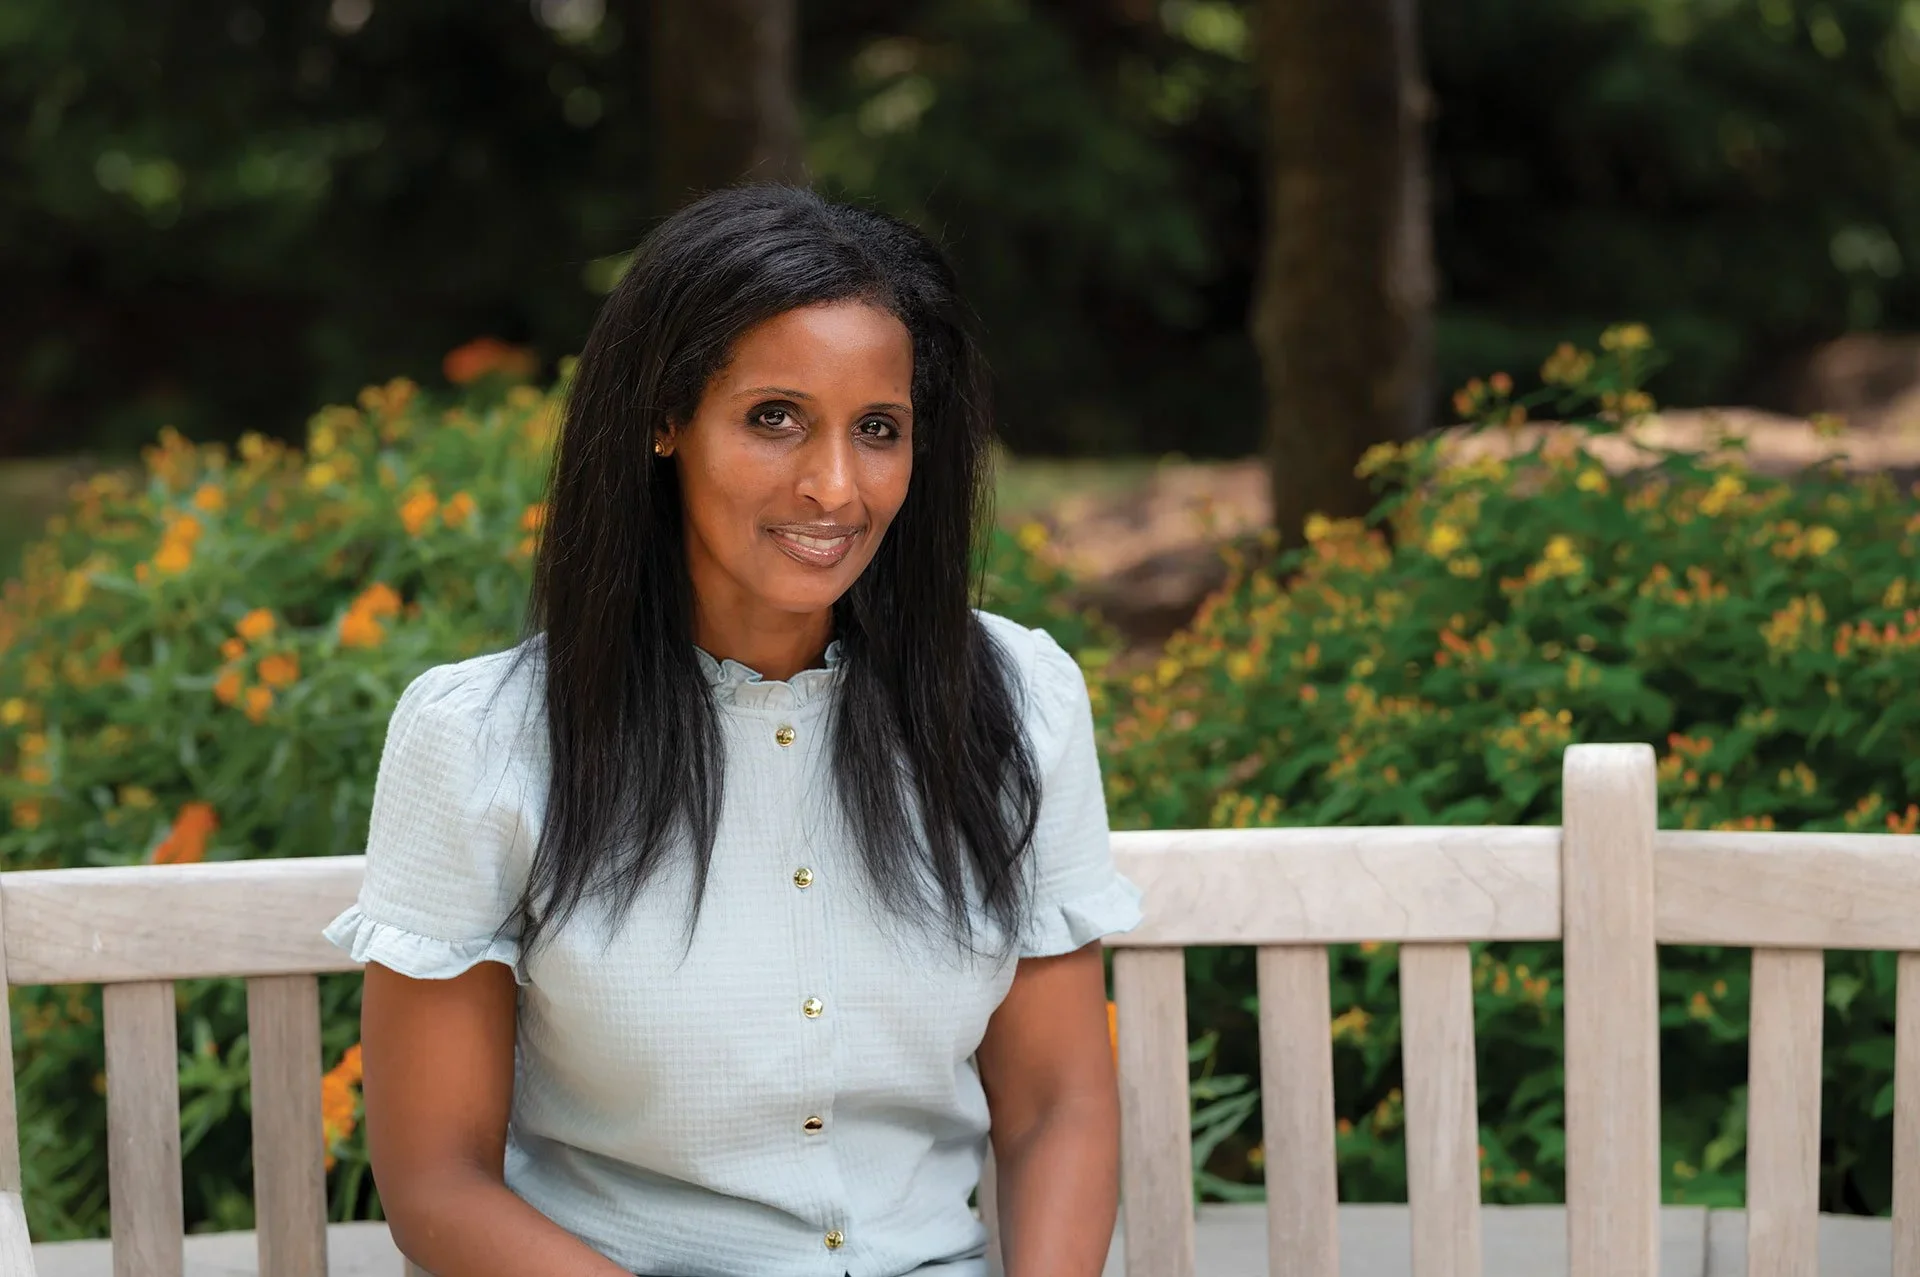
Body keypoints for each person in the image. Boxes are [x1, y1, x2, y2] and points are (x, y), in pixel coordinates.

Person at [323, 184, 1144, 1277]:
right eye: (775, 417)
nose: (836, 487)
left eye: (879, 429)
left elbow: (1056, 1107)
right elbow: (437, 1182)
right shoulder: (486, 739)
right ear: (664, 418)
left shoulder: (1015, 700)